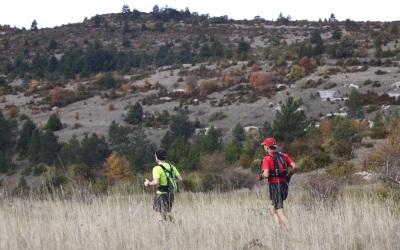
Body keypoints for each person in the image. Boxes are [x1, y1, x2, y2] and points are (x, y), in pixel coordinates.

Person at [260, 137, 297, 229]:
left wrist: (261, 176)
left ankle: (289, 231)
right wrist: (288, 177)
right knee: (272, 209)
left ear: (267, 147)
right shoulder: (284, 155)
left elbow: (266, 173)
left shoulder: (267, 158)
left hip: (275, 186)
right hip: (284, 185)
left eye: (264, 146)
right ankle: (278, 230)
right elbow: (294, 167)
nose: (264, 147)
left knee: (280, 212)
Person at [144, 148, 182, 224]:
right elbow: (180, 179)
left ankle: (162, 229)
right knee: (167, 212)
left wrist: (148, 183)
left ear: (157, 157)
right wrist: (172, 183)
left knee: (159, 214)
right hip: (170, 194)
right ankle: (175, 224)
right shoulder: (172, 167)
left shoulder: (156, 168)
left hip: (161, 194)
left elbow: (156, 182)